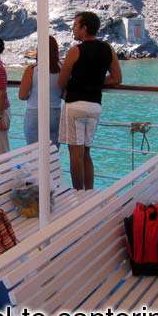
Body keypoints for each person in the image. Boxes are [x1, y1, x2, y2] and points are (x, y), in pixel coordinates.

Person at [58, 11, 122, 190]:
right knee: (86, 152)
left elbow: (61, 82)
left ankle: (78, 194)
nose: (73, 29)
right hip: (95, 106)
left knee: (75, 154)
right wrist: (96, 82)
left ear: (84, 28)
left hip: (75, 105)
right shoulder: (108, 49)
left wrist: (78, 82)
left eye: (75, 26)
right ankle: (90, 193)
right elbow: (116, 78)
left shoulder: (75, 51)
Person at [19, 36, 63, 146]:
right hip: (55, 113)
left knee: (34, 153)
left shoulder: (32, 70)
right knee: (52, 153)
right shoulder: (62, 68)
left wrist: (33, 94)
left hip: (34, 112)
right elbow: (65, 92)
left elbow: (22, 95)